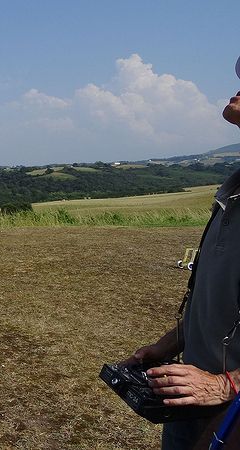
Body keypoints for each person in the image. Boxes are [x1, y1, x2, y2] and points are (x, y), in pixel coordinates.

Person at [124, 90, 240, 449]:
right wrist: (169, 343)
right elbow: (219, 297)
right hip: (190, 398)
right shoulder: (232, 189)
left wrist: (225, 385)